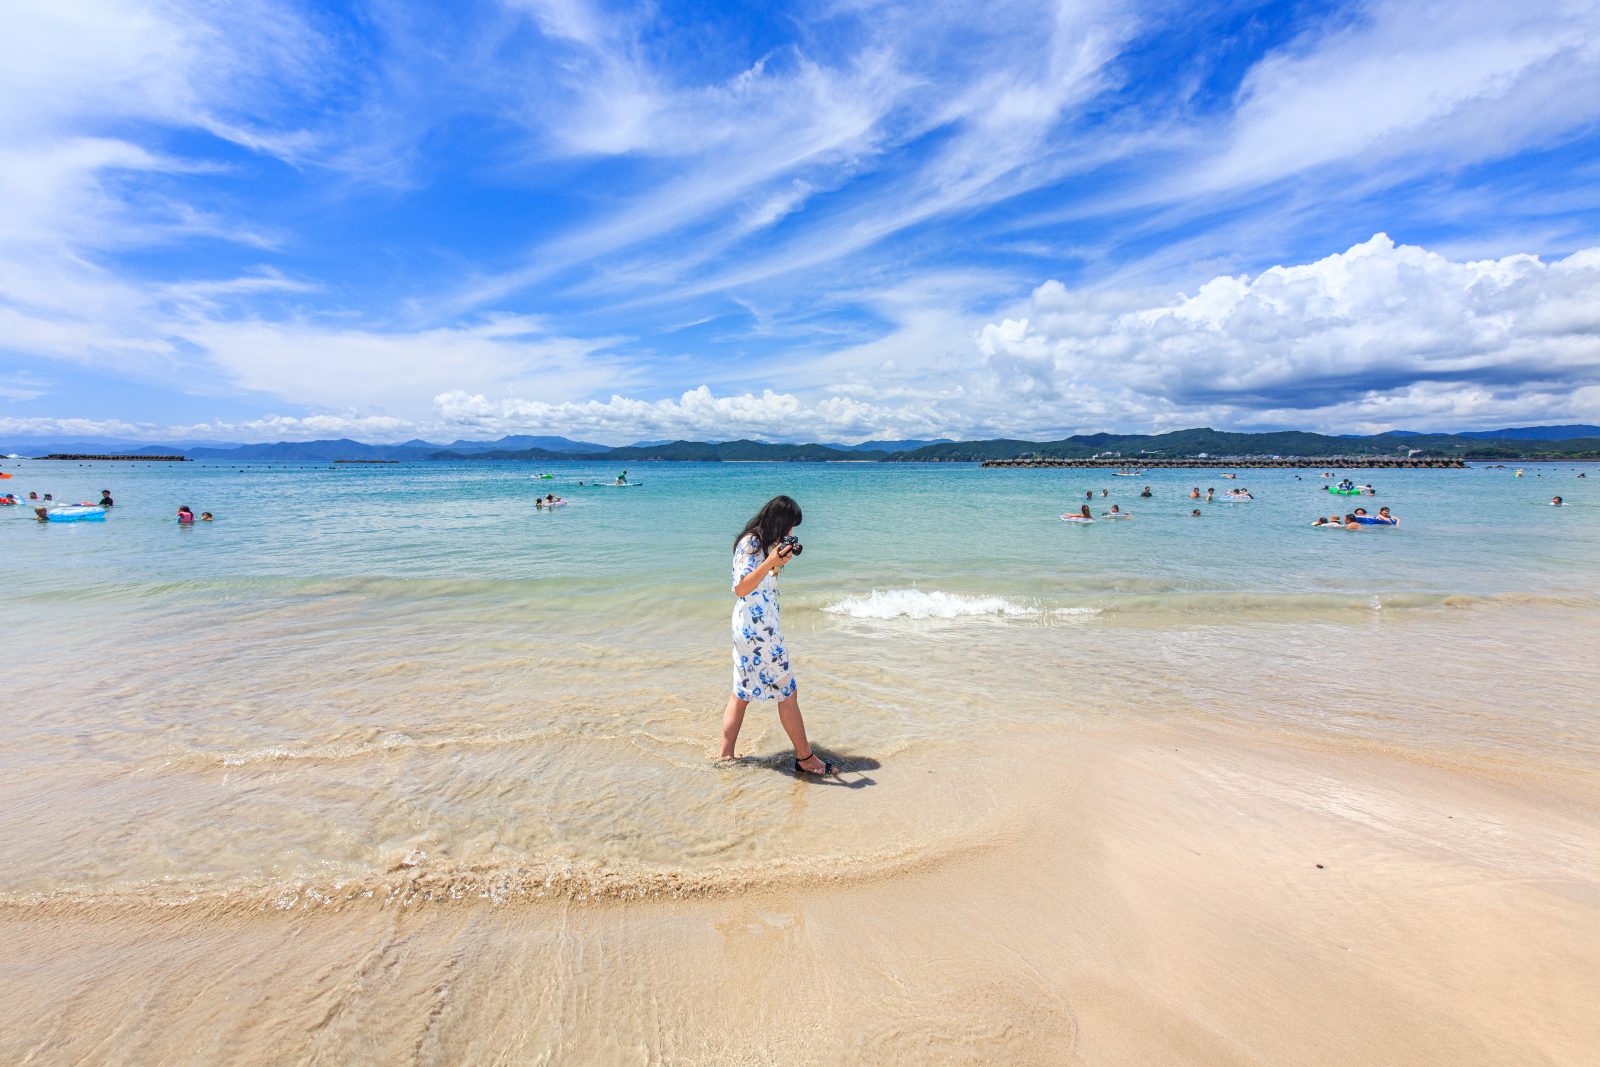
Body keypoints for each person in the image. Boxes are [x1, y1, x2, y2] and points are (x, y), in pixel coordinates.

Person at [719, 496, 832, 776]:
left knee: (741, 693)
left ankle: (725, 757)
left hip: (760, 627)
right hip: (757, 633)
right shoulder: (751, 543)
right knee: (787, 692)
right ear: (778, 521)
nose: (791, 534)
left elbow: (764, 584)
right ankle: (805, 758)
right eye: (790, 528)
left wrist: (778, 563)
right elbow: (741, 588)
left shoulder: (765, 545)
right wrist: (770, 559)